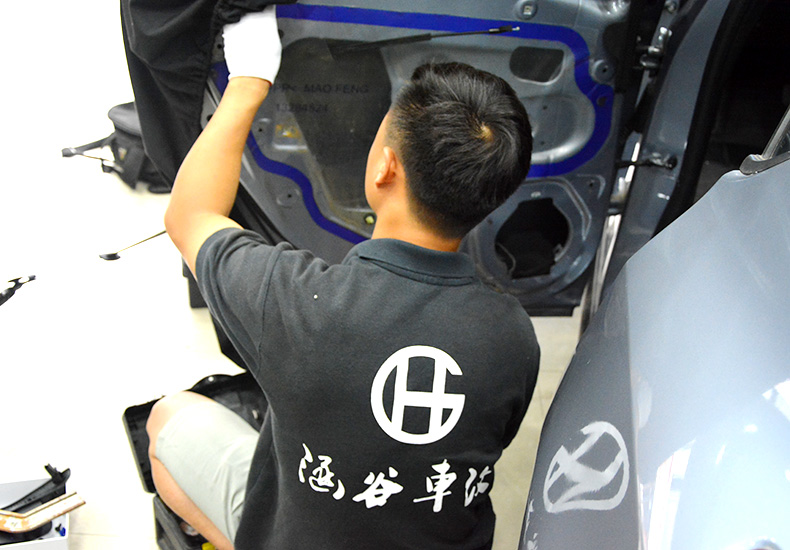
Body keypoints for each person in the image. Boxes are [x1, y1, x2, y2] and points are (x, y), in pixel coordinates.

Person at [146, 6, 540, 550]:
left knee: (168, 418)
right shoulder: (513, 337)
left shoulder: (296, 305)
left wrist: (249, 82)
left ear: (384, 167)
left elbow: (189, 216)